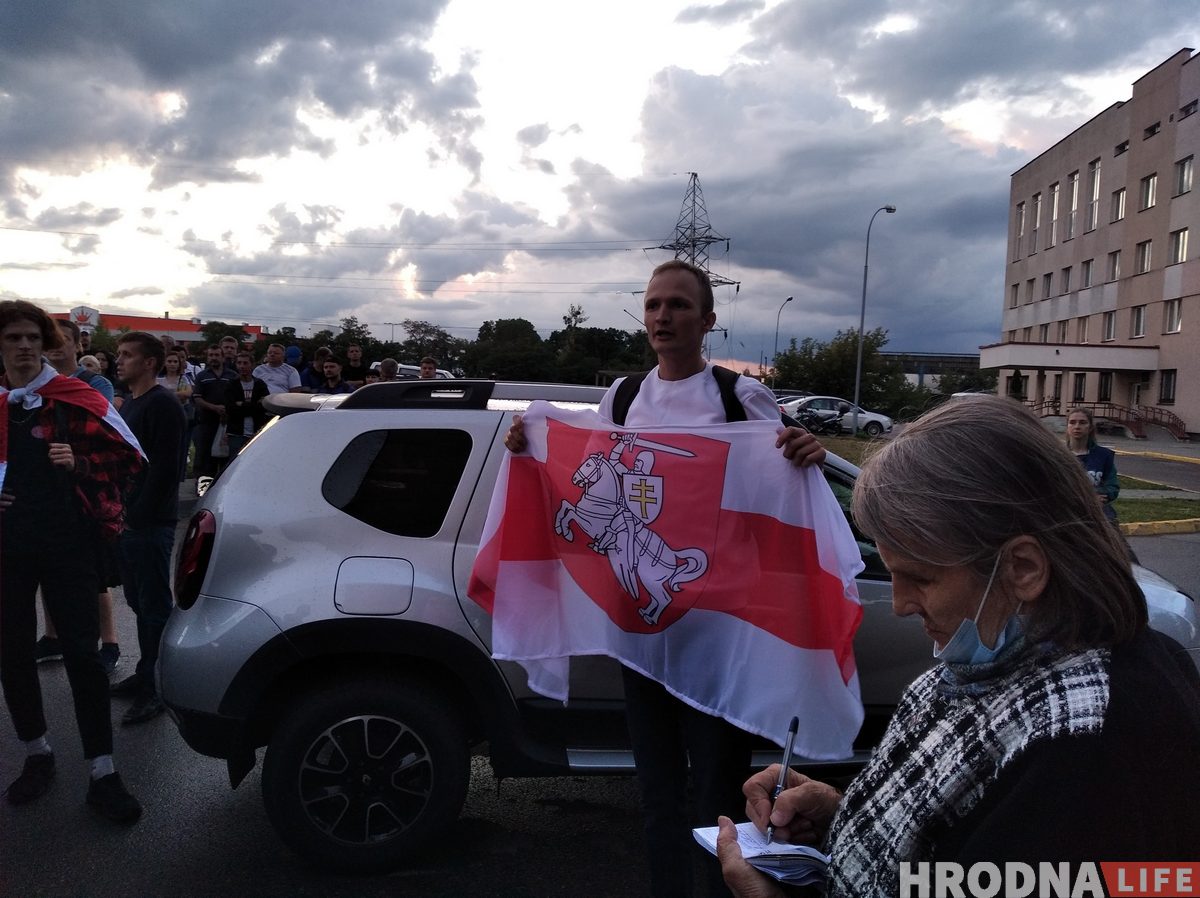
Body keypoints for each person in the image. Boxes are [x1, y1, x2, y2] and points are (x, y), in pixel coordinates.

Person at [717, 396, 1200, 898]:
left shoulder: (1086, 745)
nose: (900, 604)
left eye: (921, 579)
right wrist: (848, 819)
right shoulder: (997, 659)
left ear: (1022, 568)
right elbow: (963, 853)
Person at [505, 260, 826, 898]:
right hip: (645, 633)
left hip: (719, 632)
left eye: (678, 305)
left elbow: (776, 493)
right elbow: (584, 479)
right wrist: (531, 448)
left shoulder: (739, 398)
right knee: (656, 795)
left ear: (707, 321)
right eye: (653, 304)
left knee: (717, 801)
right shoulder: (623, 399)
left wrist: (805, 455)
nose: (662, 316)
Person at [0, 300, 145, 823]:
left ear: (45, 343)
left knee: (83, 656)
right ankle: (37, 752)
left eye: (32, 337)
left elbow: (132, 458)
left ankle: (103, 771)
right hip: (8, 547)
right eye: (13, 337)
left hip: (69, 542)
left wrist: (80, 462)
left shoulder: (76, 397)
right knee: (11, 652)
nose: (24, 346)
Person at [35, 320, 123, 674]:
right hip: (47, 488)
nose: (55, 347)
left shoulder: (93, 384)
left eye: (63, 340)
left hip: (86, 488)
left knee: (94, 575)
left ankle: (109, 642)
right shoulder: (35, 385)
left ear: (78, 345)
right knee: (45, 568)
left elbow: (108, 433)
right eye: (50, 341)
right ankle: (52, 636)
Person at [109, 332, 187, 726]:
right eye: (119, 354)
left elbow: (166, 469)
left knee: (154, 608)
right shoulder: (133, 402)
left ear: (150, 363)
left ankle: (157, 688)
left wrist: (138, 514)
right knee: (140, 603)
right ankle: (145, 672)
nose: (119, 360)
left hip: (149, 523)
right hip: (129, 519)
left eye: (127, 355)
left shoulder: (162, 404)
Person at [1065, 407, 1119, 522]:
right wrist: (1086, 498)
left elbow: (1112, 486)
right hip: (1066, 511)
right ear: (1067, 427)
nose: (1077, 426)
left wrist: (1100, 496)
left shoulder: (1104, 455)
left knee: (1111, 526)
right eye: (1072, 422)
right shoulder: (1057, 454)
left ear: (1090, 427)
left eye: (1082, 422)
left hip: (1097, 511)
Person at [192, 344, 233, 496]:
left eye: (216, 355)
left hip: (226, 423)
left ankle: (223, 491)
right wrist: (214, 408)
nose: (214, 358)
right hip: (206, 422)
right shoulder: (202, 376)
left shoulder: (232, 375)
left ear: (222, 357)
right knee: (205, 457)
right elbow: (197, 398)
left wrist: (227, 410)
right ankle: (203, 491)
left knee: (225, 458)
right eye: (211, 355)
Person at [224, 351, 269, 458]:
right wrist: (253, 405)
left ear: (252, 365)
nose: (242, 366)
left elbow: (263, 406)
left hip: (256, 431)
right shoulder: (231, 385)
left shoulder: (260, 384)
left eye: (245, 363)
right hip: (236, 432)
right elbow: (230, 408)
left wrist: (242, 404)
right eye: (239, 363)